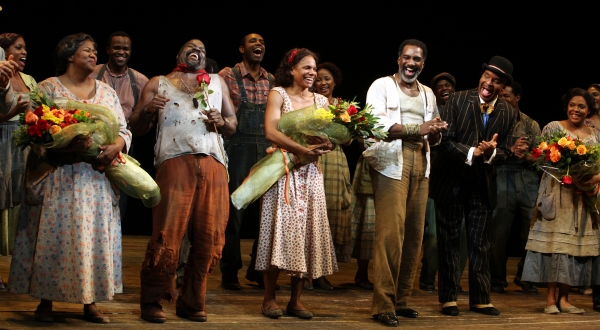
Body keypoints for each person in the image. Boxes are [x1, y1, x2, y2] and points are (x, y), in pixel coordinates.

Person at [3, 33, 131, 323]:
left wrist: (118, 145)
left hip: (96, 178)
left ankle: (91, 302)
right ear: (69, 54)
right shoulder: (49, 87)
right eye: (87, 50)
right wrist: (63, 144)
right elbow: (34, 131)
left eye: (95, 50)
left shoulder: (107, 91)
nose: (93, 54)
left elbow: (124, 128)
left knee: (93, 237)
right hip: (59, 174)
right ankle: (45, 300)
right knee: (54, 236)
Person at [129, 39, 236, 323]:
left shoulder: (216, 82)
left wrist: (222, 122)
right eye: (190, 46)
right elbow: (136, 126)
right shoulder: (159, 82)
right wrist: (150, 108)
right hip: (175, 160)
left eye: (201, 48)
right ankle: (153, 299)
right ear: (179, 54)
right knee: (168, 232)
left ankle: (192, 300)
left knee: (209, 236)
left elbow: (232, 123)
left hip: (212, 161)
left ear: (204, 56)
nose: (197, 49)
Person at [362, 39, 447, 327]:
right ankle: (383, 304)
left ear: (424, 63)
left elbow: (431, 134)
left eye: (418, 60)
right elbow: (376, 125)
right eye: (407, 58)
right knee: (390, 234)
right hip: (391, 162)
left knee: (413, 234)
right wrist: (418, 129)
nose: (412, 63)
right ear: (398, 59)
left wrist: (435, 133)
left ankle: (401, 300)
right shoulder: (381, 86)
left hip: (421, 161)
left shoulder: (427, 93)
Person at [429, 56, 518, 317]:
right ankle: (448, 298)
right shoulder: (458, 100)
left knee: (480, 243)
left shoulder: (508, 112)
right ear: (481, 77)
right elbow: (445, 140)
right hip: (452, 181)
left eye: (496, 81)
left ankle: (480, 298)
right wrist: (472, 153)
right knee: (449, 240)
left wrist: (491, 153)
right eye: (487, 77)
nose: (489, 84)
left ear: (502, 87)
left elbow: (508, 151)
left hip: (482, 184)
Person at [256, 48, 337, 320]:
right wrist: (299, 150)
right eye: (306, 67)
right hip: (284, 171)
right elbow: (270, 131)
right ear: (292, 70)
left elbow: (328, 138)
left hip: (310, 175)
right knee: (278, 231)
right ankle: (269, 298)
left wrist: (327, 143)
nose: (312, 72)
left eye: (314, 68)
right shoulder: (278, 93)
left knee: (305, 234)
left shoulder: (321, 102)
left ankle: (296, 300)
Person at [521, 88, 600, 314]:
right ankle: (550, 300)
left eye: (582, 106)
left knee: (573, 247)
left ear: (588, 110)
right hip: (556, 193)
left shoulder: (593, 134)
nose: (576, 110)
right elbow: (539, 158)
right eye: (572, 105)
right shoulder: (553, 128)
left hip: (580, 198)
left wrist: (590, 178)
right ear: (567, 106)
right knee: (554, 247)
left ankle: (565, 299)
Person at [217, 33, 273, 290]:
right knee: (234, 213)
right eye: (252, 41)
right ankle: (229, 271)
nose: (258, 44)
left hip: (266, 150)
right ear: (241, 48)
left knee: (266, 213)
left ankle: (258, 269)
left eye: (261, 41)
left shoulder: (272, 80)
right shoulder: (227, 75)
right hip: (236, 148)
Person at [89, 31, 148, 231]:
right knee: (92, 189)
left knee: (119, 196)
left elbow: (144, 121)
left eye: (125, 48)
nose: (121, 52)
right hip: (92, 141)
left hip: (123, 143)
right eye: (116, 47)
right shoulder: (92, 72)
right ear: (107, 50)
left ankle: (113, 238)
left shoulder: (140, 81)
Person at [489, 81, 540, 295]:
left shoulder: (531, 124)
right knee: (499, 232)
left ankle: (526, 277)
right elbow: (487, 152)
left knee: (532, 232)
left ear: (517, 98)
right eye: (500, 96)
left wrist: (527, 156)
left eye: (507, 96)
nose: (502, 100)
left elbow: (542, 158)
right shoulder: (492, 120)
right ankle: (497, 280)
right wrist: (509, 150)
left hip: (526, 178)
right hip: (501, 174)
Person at [420, 72, 468, 292]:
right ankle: (428, 277)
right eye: (439, 86)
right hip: (434, 178)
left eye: (448, 84)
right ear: (434, 92)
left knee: (462, 235)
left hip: (459, 178)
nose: (444, 88)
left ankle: (453, 280)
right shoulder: (429, 113)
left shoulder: (463, 112)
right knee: (432, 234)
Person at [0, 33, 36, 290]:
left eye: (25, 48)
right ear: (4, 52)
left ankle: (22, 272)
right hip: (3, 143)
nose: (24, 52)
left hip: (27, 146)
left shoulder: (30, 80)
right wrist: (14, 112)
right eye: (19, 47)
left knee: (24, 203)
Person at [313, 61, 352, 290]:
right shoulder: (308, 103)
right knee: (314, 214)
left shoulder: (341, 106)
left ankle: (321, 274)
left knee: (331, 216)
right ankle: (305, 274)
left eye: (326, 78)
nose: (322, 82)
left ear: (334, 81)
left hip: (336, 161)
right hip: (314, 158)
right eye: (318, 79)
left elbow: (348, 140)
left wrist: (336, 134)